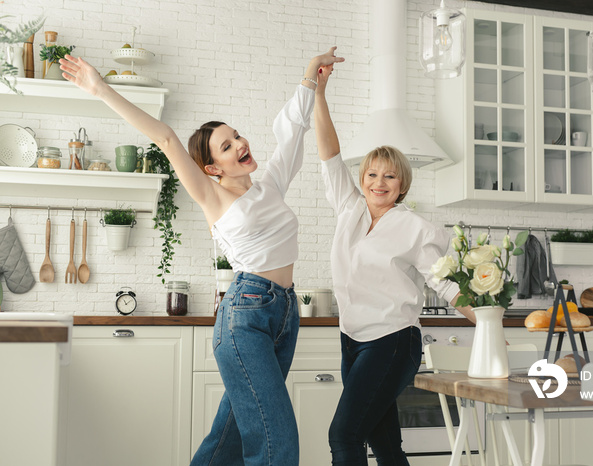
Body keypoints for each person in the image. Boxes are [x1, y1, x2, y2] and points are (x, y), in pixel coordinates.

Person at [60, 47, 344, 466]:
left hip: (284, 313)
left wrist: (310, 80)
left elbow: (293, 131)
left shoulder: (270, 186)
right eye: (227, 146)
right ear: (212, 168)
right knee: (276, 442)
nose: (240, 144)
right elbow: (166, 138)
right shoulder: (212, 197)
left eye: (237, 136)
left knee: (227, 439)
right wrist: (100, 88)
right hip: (245, 316)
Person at [314, 64, 476, 465]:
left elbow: (446, 284)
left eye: (389, 176)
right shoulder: (349, 208)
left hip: (392, 339)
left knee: (344, 435)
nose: (378, 182)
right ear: (362, 178)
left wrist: (486, 323)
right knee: (383, 442)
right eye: (371, 174)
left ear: (402, 184)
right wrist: (319, 94)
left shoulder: (415, 228)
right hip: (352, 338)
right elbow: (329, 154)